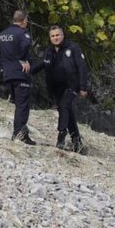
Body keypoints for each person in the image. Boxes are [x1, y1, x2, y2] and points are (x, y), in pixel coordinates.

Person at [38, 25, 89, 153]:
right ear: (50, 38)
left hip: (72, 85)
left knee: (64, 105)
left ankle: (61, 135)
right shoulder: (49, 51)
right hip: (57, 87)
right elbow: (39, 65)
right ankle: (77, 141)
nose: (55, 38)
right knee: (67, 111)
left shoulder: (73, 47)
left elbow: (82, 67)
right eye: (53, 36)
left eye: (57, 35)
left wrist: (83, 87)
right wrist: (24, 70)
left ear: (62, 35)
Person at [0, 10, 37, 145]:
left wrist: (2, 67)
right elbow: (26, 45)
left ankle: (21, 132)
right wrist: (22, 60)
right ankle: (19, 133)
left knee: (18, 104)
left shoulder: (2, 34)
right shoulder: (23, 33)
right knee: (23, 105)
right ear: (24, 20)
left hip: (8, 75)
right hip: (20, 74)